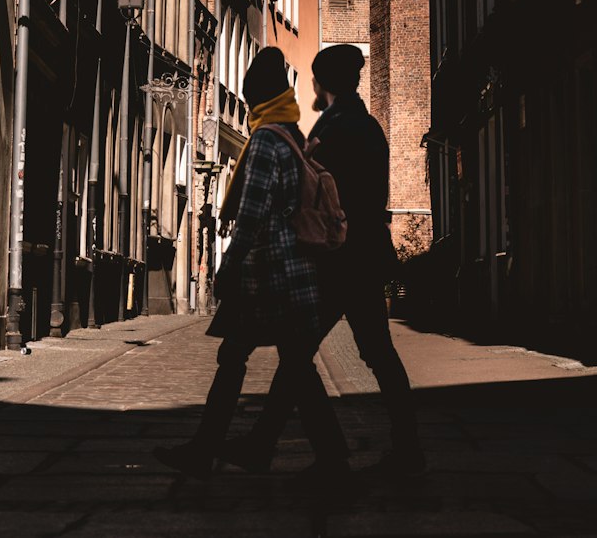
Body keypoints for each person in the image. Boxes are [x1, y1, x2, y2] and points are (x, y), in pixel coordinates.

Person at [221, 43, 426, 476]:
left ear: (322, 83)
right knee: (371, 354)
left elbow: (319, 199)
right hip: (365, 256)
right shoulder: (368, 126)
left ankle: (291, 449)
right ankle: (404, 448)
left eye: (314, 79)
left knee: (301, 354)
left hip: (339, 260)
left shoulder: (334, 131)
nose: (310, 86)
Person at [154, 47, 350, 481]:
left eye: (247, 99)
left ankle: (212, 452)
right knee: (278, 362)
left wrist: (228, 266)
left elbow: (253, 214)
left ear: (255, 98)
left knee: (270, 362)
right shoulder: (291, 136)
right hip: (293, 273)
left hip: (270, 276)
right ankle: (227, 450)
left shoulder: (264, 141)